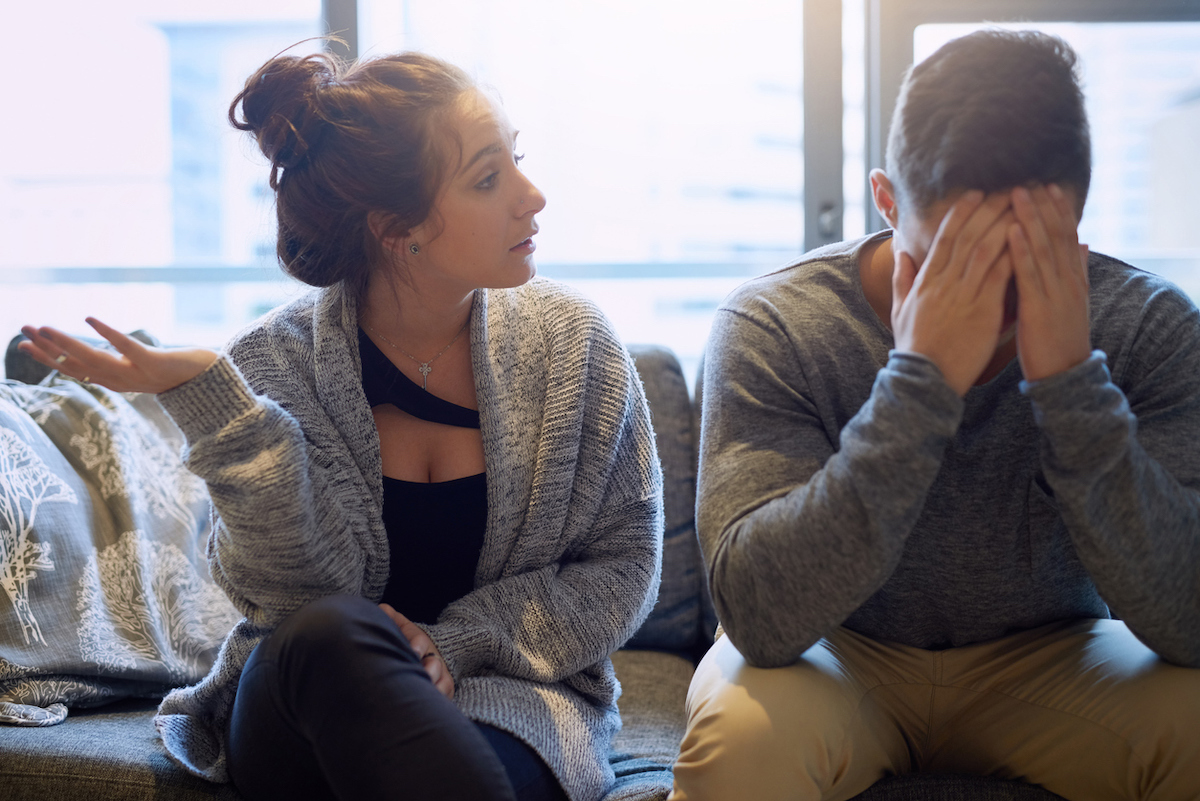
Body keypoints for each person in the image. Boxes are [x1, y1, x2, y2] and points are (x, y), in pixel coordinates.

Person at [19, 49, 663, 801]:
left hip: (510, 711)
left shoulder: (576, 346)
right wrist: (222, 410)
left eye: (516, 160)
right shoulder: (275, 364)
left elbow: (623, 565)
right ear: (396, 228)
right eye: (489, 178)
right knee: (331, 633)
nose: (533, 196)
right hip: (301, 703)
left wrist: (456, 643)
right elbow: (299, 596)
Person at [671, 29, 1200, 801]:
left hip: (1054, 653)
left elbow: (1188, 620)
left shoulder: (1148, 326)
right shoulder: (775, 323)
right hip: (836, 650)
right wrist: (920, 384)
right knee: (742, 744)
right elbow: (760, 616)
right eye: (957, 255)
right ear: (887, 201)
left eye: (1019, 258)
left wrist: (1071, 386)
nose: (988, 297)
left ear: (1075, 218)